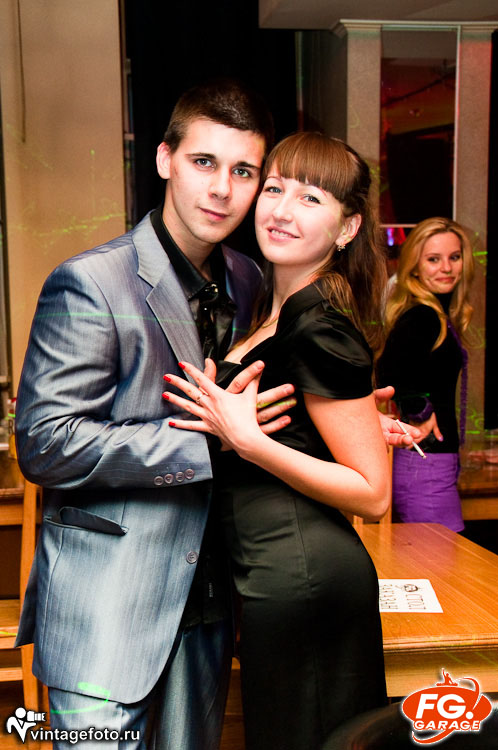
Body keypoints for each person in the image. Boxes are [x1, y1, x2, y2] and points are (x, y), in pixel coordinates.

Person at [14, 78, 292, 750]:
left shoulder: (249, 278)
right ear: (166, 159)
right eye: (204, 162)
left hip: (207, 605)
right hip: (105, 610)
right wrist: (208, 441)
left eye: (243, 171)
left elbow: (254, 403)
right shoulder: (92, 281)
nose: (222, 189)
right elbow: (46, 443)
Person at [162, 132, 392, 749]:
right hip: (272, 575)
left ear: (348, 228)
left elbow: (373, 495)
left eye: (311, 198)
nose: (282, 210)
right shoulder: (273, 310)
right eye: (274, 189)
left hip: (304, 577)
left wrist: (248, 440)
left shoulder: (319, 323)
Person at [377, 217, 475, 532]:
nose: (446, 267)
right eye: (433, 259)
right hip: (425, 460)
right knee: (442, 556)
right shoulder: (422, 315)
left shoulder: (436, 313)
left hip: (433, 460)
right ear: (415, 267)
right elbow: (387, 370)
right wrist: (419, 408)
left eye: (454, 257)